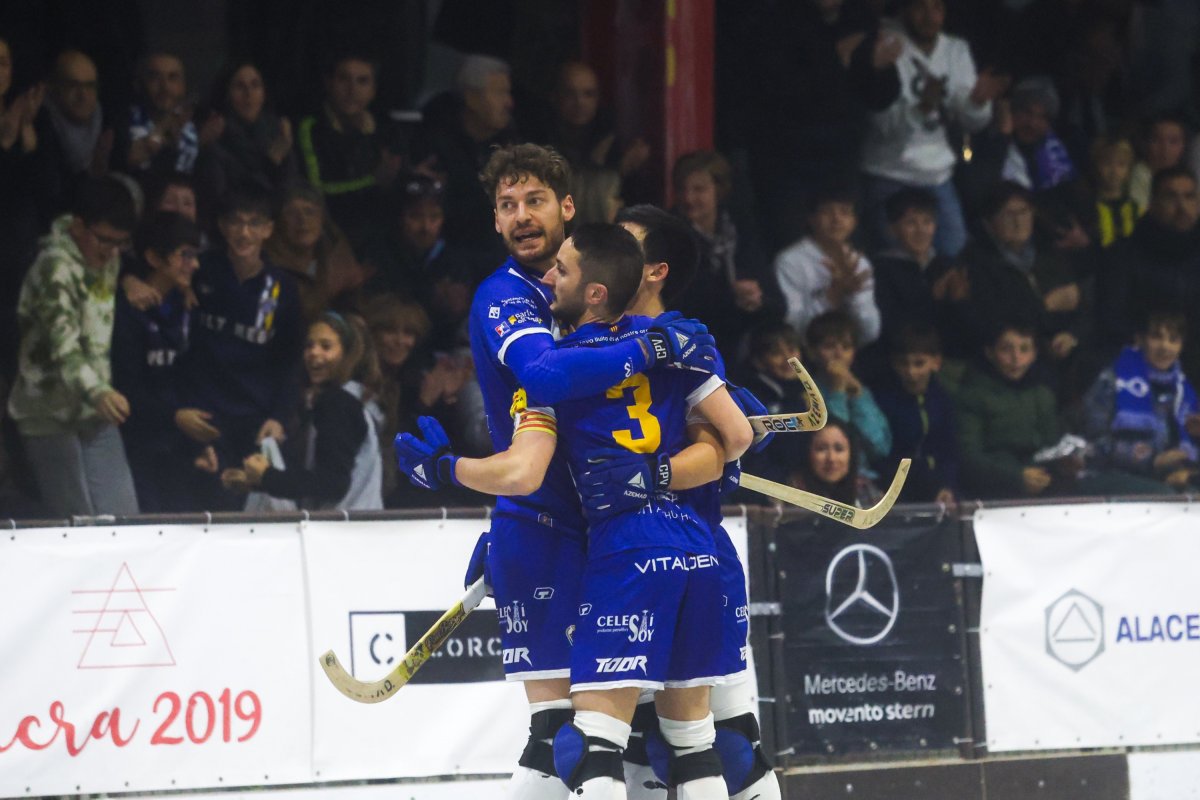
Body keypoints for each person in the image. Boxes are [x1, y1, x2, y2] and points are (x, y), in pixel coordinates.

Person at [396, 143, 716, 800]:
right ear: (492, 220)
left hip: (617, 533)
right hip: (547, 524)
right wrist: (655, 346)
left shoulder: (597, 292)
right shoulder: (504, 296)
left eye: (534, 201)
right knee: (567, 735)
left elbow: (713, 424)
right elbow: (543, 379)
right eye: (506, 206)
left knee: (645, 739)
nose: (520, 217)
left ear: (568, 208)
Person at [616, 203, 782, 800]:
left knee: (728, 747)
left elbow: (727, 444)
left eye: (623, 242)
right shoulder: (578, 339)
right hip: (613, 562)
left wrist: (669, 472)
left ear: (655, 270)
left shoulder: (685, 343)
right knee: (630, 746)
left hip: (693, 555)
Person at [7, 176, 139, 516]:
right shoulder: (54, 267)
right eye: (105, 240)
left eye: (120, 243)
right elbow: (62, 345)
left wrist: (130, 278)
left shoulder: (110, 260)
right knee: (77, 522)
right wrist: (97, 391)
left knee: (124, 517)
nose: (111, 252)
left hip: (95, 409)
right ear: (79, 226)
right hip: (48, 411)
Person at [175, 187, 304, 510]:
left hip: (254, 420)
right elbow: (152, 276)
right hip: (204, 415)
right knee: (202, 510)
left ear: (269, 229)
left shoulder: (282, 287)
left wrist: (279, 415)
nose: (244, 232)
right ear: (221, 226)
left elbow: (290, 358)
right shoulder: (198, 270)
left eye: (254, 223)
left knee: (250, 516)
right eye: (236, 222)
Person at [956, 319, 1169, 500]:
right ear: (989, 353)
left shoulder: (1042, 393)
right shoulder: (972, 395)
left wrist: (1064, 464)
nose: (1016, 359)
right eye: (1006, 349)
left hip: (1048, 485)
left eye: (1024, 349)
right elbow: (968, 457)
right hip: (996, 494)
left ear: (1035, 353)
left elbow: (1051, 447)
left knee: (1137, 491)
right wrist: (1016, 477)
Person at [860, 0, 1002, 257]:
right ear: (905, 9)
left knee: (955, 254)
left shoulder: (956, 49)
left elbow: (972, 123)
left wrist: (977, 103)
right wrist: (922, 108)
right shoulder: (885, 43)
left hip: (937, 175)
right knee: (899, 262)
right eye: (920, 8)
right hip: (889, 174)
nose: (929, 17)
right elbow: (882, 126)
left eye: (937, 8)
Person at [221, 311, 384, 510]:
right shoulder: (356, 399)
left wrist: (268, 477)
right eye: (309, 346)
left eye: (326, 346)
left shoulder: (338, 403)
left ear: (346, 355)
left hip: (343, 533)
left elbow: (332, 484)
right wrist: (257, 483)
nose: (314, 353)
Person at [111, 211, 201, 512]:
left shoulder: (189, 305)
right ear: (153, 257)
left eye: (195, 255)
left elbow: (188, 377)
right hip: (135, 443)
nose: (195, 264)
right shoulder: (125, 311)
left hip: (177, 442)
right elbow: (125, 386)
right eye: (184, 255)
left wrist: (199, 444)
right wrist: (173, 415)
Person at [1095, 166, 1200, 374]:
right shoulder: (1122, 255)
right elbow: (1111, 320)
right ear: (1152, 204)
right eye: (1171, 197)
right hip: (1140, 364)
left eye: (1190, 197)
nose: (1182, 207)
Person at [672, 150, 778, 353]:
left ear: (719, 190)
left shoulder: (741, 231)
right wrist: (733, 297)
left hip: (743, 346)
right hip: (692, 346)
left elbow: (776, 302)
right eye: (682, 189)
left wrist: (756, 300)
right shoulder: (671, 235)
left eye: (699, 189)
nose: (688, 198)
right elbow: (683, 302)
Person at [1082, 310, 1200, 491]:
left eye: (1173, 339)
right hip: (1112, 475)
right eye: (1156, 337)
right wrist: (1153, 460)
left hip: (1169, 478)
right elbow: (1093, 444)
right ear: (1140, 339)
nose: (1165, 347)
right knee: (1165, 496)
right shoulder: (1112, 380)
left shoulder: (1184, 392)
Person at [296, 52, 401, 251]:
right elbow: (316, 192)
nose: (352, 90)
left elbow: (395, 190)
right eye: (344, 79)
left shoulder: (387, 130)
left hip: (380, 242)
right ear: (329, 83)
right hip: (328, 240)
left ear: (373, 90)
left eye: (362, 81)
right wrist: (372, 181)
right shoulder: (311, 129)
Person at [361, 172, 481, 347]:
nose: (425, 227)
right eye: (416, 216)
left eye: (434, 217)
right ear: (400, 218)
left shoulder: (456, 261)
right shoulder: (378, 256)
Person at [865, 187, 979, 367]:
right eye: (911, 223)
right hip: (903, 364)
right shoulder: (880, 270)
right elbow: (890, 329)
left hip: (951, 360)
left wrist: (960, 302)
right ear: (892, 229)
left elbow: (968, 330)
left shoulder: (948, 266)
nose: (921, 231)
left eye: (927, 222)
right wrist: (932, 300)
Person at [415, 55, 517, 255]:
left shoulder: (510, 145)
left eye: (508, 93)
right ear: (471, 98)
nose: (509, 103)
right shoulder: (432, 148)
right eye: (499, 93)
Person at [774, 184, 881, 347]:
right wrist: (833, 295)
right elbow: (792, 329)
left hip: (849, 354)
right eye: (827, 211)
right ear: (811, 219)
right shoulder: (790, 261)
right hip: (804, 356)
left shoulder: (859, 263)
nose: (836, 219)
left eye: (844, 212)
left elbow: (870, 333)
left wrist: (854, 297)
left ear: (854, 222)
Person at [873, 324, 958, 504]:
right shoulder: (883, 400)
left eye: (919, 364)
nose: (911, 372)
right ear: (894, 363)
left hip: (938, 486)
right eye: (904, 364)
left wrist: (946, 486)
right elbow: (883, 455)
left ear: (936, 362)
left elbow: (950, 451)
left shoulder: (943, 400)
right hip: (894, 487)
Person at [196, 60, 298, 204]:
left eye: (255, 85)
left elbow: (289, 190)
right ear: (227, 94)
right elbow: (226, 199)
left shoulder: (276, 131)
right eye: (239, 87)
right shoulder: (214, 134)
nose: (248, 94)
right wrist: (271, 162)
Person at [264, 184, 366, 323]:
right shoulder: (265, 264)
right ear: (278, 222)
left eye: (309, 211)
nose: (302, 220)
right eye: (291, 213)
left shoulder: (336, 252)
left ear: (322, 218)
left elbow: (352, 307)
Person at [805, 310, 892, 468]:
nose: (839, 354)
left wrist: (858, 396)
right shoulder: (805, 392)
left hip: (862, 479)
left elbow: (880, 447)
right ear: (812, 352)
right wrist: (837, 391)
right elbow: (833, 441)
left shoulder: (859, 390)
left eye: (846, 347)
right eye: (830, 346)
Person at [116, 51, 219, 178]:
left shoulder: (197, 124)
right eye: (155, 78)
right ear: (138, 85)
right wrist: (164, 130)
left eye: (173, 78)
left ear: (183, 86)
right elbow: (130, 162)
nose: (165, 87)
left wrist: (200, 146)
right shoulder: (122, 124)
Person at [35, 50, 111, 218]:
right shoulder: (38, 126)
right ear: (53, 87)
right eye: (73, 85)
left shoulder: (103, 123)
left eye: (90, 86)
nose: (83, 95)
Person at [784, 417, 881, 508]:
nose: (831, 458)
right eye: (821, 449)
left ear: (851, 454)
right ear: (808, 453)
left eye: (839, 449)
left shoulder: (864, 489)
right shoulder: (792, 492)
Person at [1087, 135, 1140, 249]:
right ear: (1096, 166)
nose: (1114, 171)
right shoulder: (1088, 207)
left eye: (1121, 164)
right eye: (1107, 164)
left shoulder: (1136, 209)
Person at [1130, 113, 1190, 212]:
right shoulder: (1140, 175)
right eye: (1156, 140)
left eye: (1173, 141)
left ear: (1183, 145)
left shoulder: (1186, 176)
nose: (1165, 149)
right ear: (1145, 143)